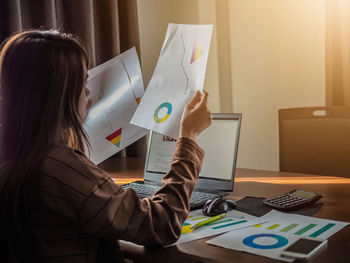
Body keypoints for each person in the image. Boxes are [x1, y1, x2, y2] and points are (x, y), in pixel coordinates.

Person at [0, 30, 212, 262]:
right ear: (61, 95)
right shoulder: (59, 169)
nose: (88, 93)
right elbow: (162, 224)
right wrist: (188, 139)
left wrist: (71, 120)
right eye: (82, 84)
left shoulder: (15, 156)